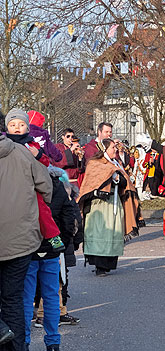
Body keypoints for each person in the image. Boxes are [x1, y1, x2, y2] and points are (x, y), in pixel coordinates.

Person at [0, 132, 53, 350]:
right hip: (21, 239)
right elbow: (46, 187)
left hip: (17, 239)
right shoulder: (21, 152)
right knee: (13, 300)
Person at [23, 167, 75, 351]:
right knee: (51, 295)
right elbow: (69, 216)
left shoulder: (22, 185)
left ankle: (24, 341)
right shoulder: (57, 186)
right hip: (52, 247)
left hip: (27, 248)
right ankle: (53, 341)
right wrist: (63, 242)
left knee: (26, 297)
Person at [78, 138, 142, 276]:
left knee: (113, 232)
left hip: (114, 202)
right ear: (104, 150)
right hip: (99, 205)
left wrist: (118, 178)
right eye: (113, 147)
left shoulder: (115, 164)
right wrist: (111, 176)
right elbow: (91, 183)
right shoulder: (95, 164)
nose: (116, 150)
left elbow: (125, 182)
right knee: (101, 232)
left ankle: (108, 264)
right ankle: (99, 265)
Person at [4, 109, 65, 252]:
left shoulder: (31, 144)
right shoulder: (4, 143)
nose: (17, 128)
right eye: (12, 125)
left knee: (42, 209)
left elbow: (45, 163)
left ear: (27, 127)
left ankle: (52, 235)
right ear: (7, 128)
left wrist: (38, 155)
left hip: (28, 183)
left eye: (21, 124)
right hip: (9, 183)